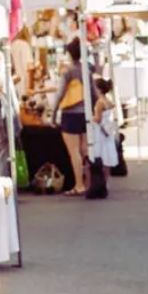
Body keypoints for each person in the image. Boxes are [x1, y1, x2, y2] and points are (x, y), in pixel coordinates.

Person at [53, 41, 92, 196]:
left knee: (74, 151)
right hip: (85, 113)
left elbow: (60, 93)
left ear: (69, 53)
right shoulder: (87, 71)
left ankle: (79, 184)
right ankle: (90, 182)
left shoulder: (68, 72)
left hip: (70, 114)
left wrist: (55, 112)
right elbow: (93, 93)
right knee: (86, 150)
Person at [85, 77, 119, 199]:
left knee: (98, 157)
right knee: (107, 158)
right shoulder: (108, 101)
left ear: (98, 89)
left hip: (100, 132)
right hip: (107, 132)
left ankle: (96, 184)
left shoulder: (99, 102)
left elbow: (98, 119)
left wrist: (89, 119)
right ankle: (105, 183)